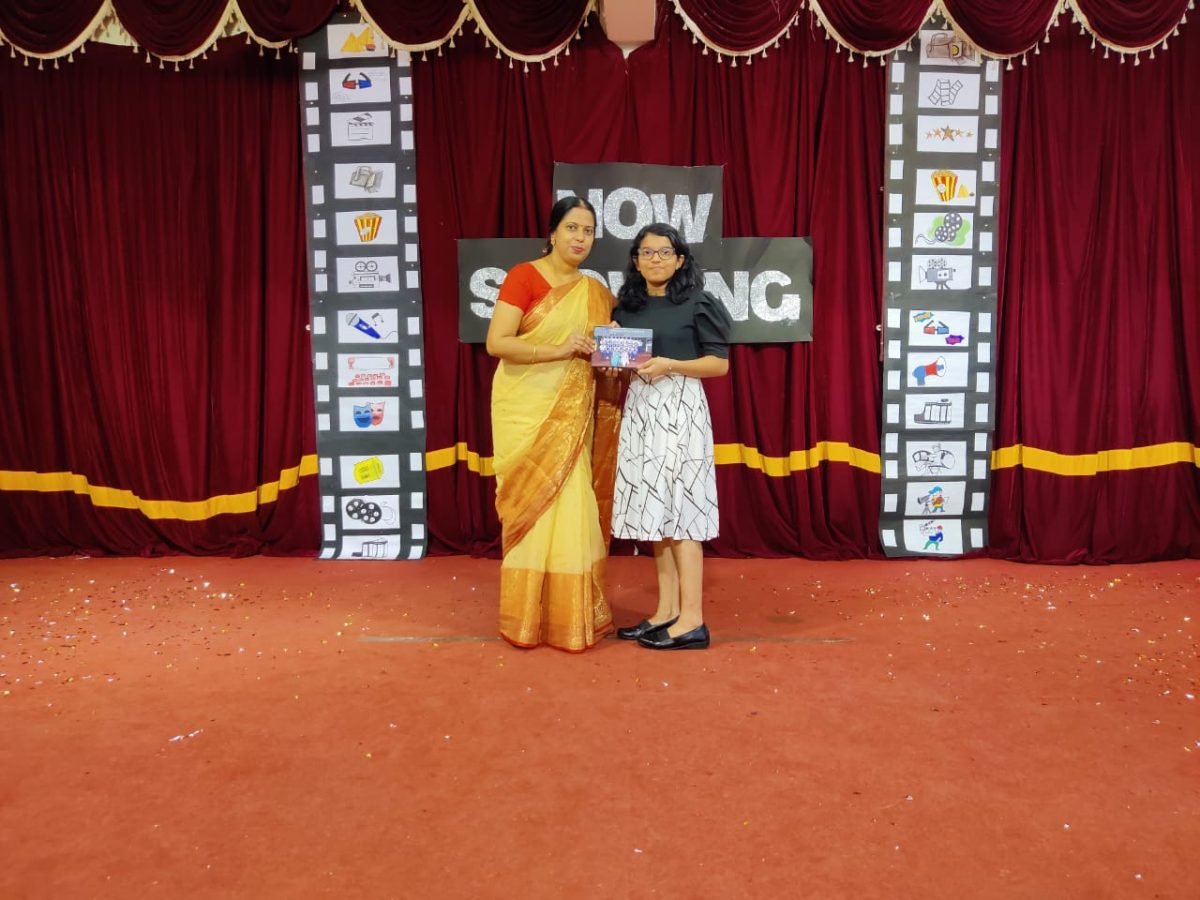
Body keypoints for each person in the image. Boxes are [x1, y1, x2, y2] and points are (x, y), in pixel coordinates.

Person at [485, 196, 621, 652]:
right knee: (532, 505)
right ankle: (526, 616)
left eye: (588, 230)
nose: (580, 238)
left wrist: (613, 350)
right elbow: (497, 343)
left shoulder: (595, 291)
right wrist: (559, 349)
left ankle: (567, 616)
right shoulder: (524, 276)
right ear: (552, 233)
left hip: (573, 415)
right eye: (572, 228)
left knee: (572, 501)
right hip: (525, 409)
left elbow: (606, 353)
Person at [610, 223, 732, 650]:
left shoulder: (699, 303)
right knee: (655, 514)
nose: (655, 259)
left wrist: (671, 364)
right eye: (646, 252)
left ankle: (693, 620)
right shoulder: (627, 307)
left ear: (680, 259)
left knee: (682, 514)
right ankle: (666, 611)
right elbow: (622, 362)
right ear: (636, 260)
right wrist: (612, 359)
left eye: (664, 252)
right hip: (641, 409)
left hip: (681, 408)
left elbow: (719, 365)